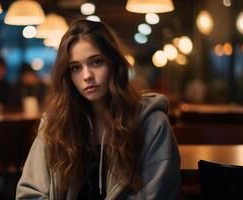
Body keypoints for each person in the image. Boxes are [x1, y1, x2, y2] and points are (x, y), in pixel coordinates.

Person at [16, 19, 180, 199]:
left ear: (113, 64)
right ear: (67, 75)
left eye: (96, 62)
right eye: (76, 68)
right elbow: (29, 194)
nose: (87, 76)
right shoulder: (54, 125)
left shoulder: (152, 123)